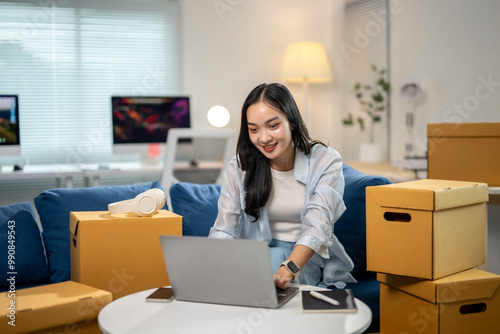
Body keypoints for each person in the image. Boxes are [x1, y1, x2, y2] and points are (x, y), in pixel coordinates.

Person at [209, 83, 356, 290]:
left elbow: (317, 227)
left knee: (278, 258)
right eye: (253, 129)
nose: (264, 138)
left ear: (291, 122)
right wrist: (210, 264)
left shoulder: (325, 161)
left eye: (273, 126)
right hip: (254, 257)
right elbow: (225, 229)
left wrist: (287, 270)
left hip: (302, 259)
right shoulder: (240, 167)